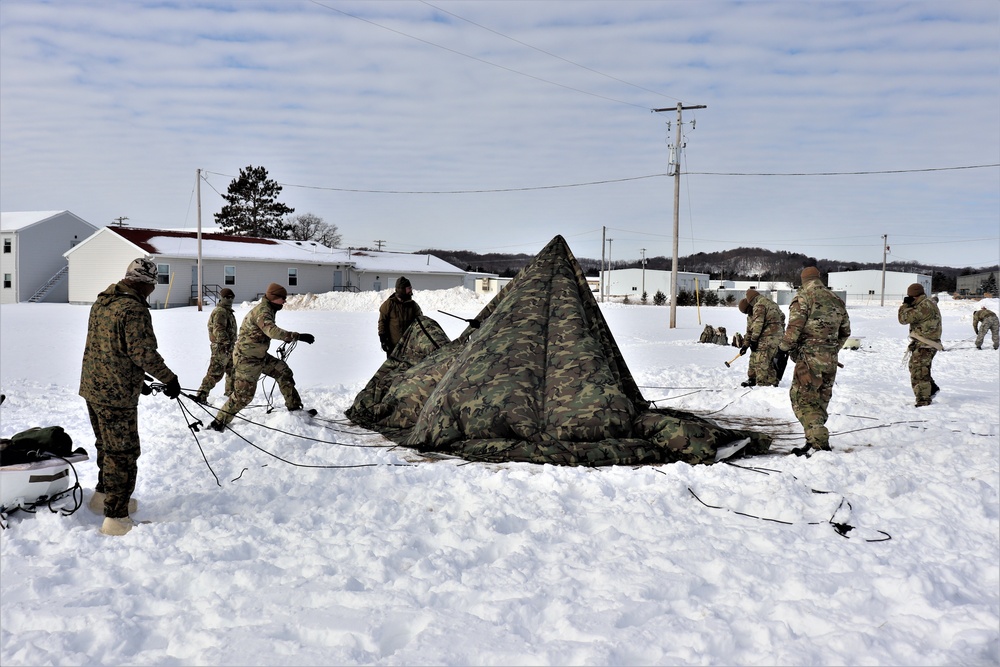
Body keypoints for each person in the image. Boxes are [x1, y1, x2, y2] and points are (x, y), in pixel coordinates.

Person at [79, 258, 182, 536]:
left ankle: (103, 498)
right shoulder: (132, 309)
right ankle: (116, 517)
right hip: (115, 396)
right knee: (123, 454)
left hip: (93, 387)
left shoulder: (103, 301)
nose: (152, 291)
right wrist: (169, 379)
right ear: (145, 282)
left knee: (106, 446)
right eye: (152, 285)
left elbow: (111, 346)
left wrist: (139, 379)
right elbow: (142, 352)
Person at [209, 283, 315, 431]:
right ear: (273, 297)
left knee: (283, 371)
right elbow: (271, 331)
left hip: (259, 356)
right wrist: (296, 336)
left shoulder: (269, 309)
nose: (284, 301)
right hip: (246, 359)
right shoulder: (263, 311)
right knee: (243, 396)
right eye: (282, 298)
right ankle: (218, 423)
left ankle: (295, 409)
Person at [777, 266, 851, 455]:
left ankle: (818, 443)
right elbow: (845, 332)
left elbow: (794, 329)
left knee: (801, 399)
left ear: (803, 281)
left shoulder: (804, 298)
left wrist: (782, 349)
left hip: (809, 360)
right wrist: (832, 349)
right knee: (820, 400)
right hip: (830, 360)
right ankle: (813, 439)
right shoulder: (836, 300)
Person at [898, 283, 942, 407]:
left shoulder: (924, 306)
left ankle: (923, 400)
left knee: (919, 371)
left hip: (927, 344)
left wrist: (905, 305)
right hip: (923, 342)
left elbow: (903, 319)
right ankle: (931, 388)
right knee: (914, 366)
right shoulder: (925, 303)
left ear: (914, 296)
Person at [194, 288, 237, 403]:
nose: (230, 300)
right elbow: (218, 330)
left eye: (232, 298)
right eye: (227, 297)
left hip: (229, 347)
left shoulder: (227, 311)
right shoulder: (220, 312)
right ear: (221, 298)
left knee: (233, 371)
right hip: (221, 347)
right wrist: (226, 343)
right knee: (215, 372)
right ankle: (202, 394)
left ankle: (230, 395)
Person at [740, 288, 786, 387]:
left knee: (763, 360)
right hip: (776, 337)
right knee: (758, 357)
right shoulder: (772, 304)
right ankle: (753, 378)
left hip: (767, 337)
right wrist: (745, 345)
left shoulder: (759, 305)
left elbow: (758, 324)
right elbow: (749, 331)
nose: (748, 314)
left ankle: (766, 383)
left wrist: (754, 340)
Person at [378, 276, 422, 358]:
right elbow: (382, 322)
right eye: (408, 288)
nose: (411, 290)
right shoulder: (389, 304)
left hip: (409, 347)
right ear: (402, 289)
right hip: (393, 347)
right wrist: (383, 338)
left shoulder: (413, 305)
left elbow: (421, 322)